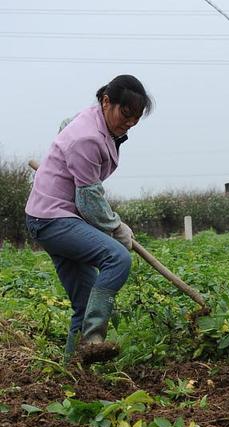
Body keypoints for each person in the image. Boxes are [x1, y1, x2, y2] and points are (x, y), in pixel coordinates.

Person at [25, 75, 153, 365]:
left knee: (83, 303)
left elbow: (64, 126)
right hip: (53, 219)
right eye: (126, 113)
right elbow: (89, 200)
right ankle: (94, 338)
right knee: (118, 259)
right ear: (106, 101)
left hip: (51, 216)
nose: (130, 122)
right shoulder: (87, 136)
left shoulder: (91, 121)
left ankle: (72, 371)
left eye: (136, 118)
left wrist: (59, 159)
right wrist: (116, 227)